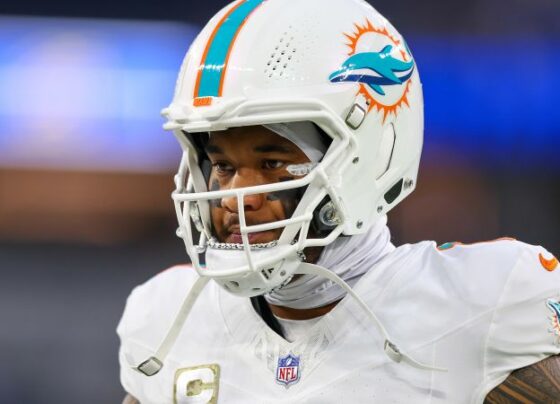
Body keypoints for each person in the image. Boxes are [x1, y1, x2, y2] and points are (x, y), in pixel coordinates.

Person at [117, 0, 560, 402]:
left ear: (367, 160)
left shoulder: (481, 305)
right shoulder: (165, 317)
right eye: (223, 166)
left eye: (272, 163)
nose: (235, 198)